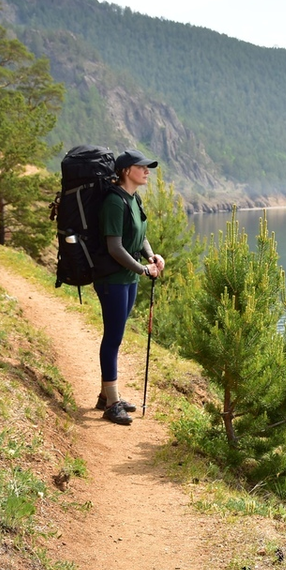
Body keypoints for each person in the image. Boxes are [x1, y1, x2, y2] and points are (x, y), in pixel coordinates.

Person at [93, 149, 165, 425]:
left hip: (128, 278)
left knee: (117, 335)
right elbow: (115, 247)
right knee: (113, 338)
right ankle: (112, 403)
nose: (147, 171)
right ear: (126, 171)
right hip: (112, 279)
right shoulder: (114, 201)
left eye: (148, 168)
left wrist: (151, 256)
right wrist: (143, 269)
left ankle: (105, 394)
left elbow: (140, 235)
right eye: (142, 167)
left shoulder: (133, 199)